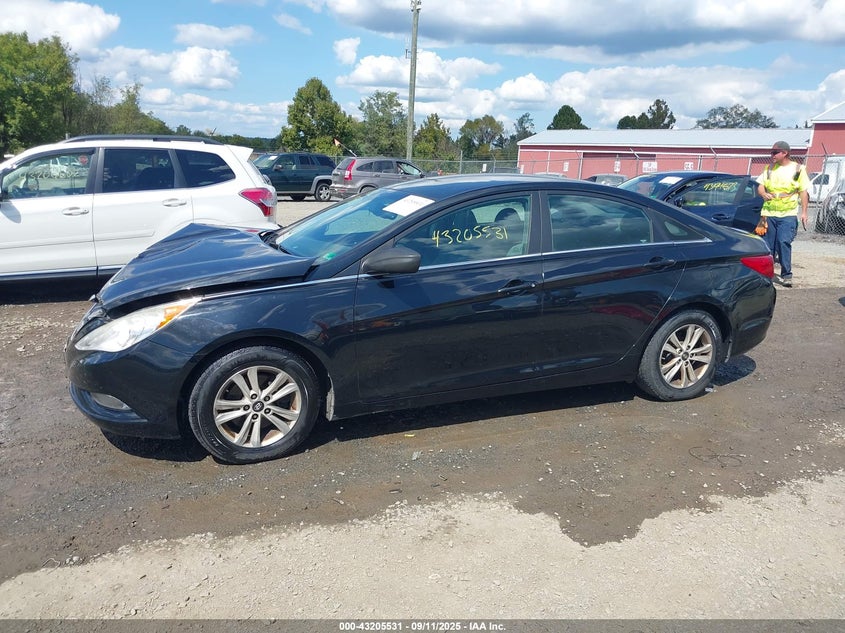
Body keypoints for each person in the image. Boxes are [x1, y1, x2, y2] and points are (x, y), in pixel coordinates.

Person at [756, 141, 810, 287]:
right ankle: (766, 274)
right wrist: (763, 194)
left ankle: (787, 275)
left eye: (775, 152)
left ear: (785, 153)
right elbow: (760, 187)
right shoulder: (769, 168)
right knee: (767, 246)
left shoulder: (798, 169)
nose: (772, 155)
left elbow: (803, 192)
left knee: (783, 242)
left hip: (788, 213)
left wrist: (804, 212)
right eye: (771, 152)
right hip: (768, 213)